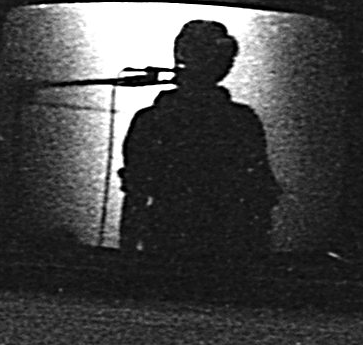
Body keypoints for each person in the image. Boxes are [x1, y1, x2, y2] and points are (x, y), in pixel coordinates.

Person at [117, 19, 277, 263]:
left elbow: (259, 193)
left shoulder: (152, 119)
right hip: (185, 241)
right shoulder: (240, 120)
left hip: (213, 242)